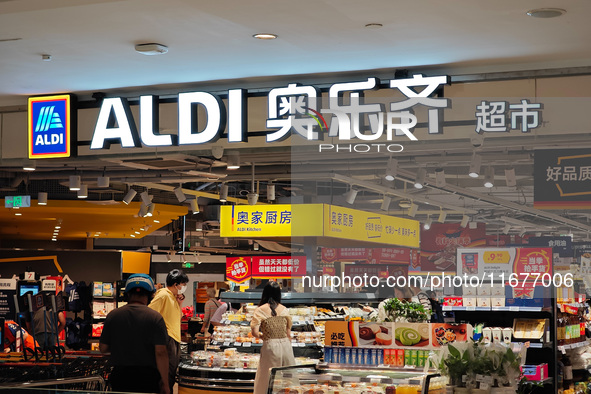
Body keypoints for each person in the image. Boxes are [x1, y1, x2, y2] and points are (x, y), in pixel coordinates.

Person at [100, 274, 169, 394]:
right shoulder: (155, 318)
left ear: (127, 294)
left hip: (120, 376)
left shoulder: (113, 315)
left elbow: (103, 348)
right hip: (147, 377)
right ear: (149, 295)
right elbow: (161, 352)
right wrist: (165, 382)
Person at [149, 269, 189, 394]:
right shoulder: (163, 295)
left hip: (174, 338)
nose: (184, 287)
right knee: (166, 375)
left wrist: (180, 303)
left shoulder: (173, 297)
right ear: (176, 284)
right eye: (183, 284)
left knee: (170, 374)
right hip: (167, 338)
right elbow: (150, 313)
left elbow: (177, 317)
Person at [251, 281, 295, 394]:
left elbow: (255, 332)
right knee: (288, 377)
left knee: (267, 377)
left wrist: (264, 336)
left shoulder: (260, 309)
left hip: (270, 346)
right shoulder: (284, 309)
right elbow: (288, 334)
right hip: (286, 346)